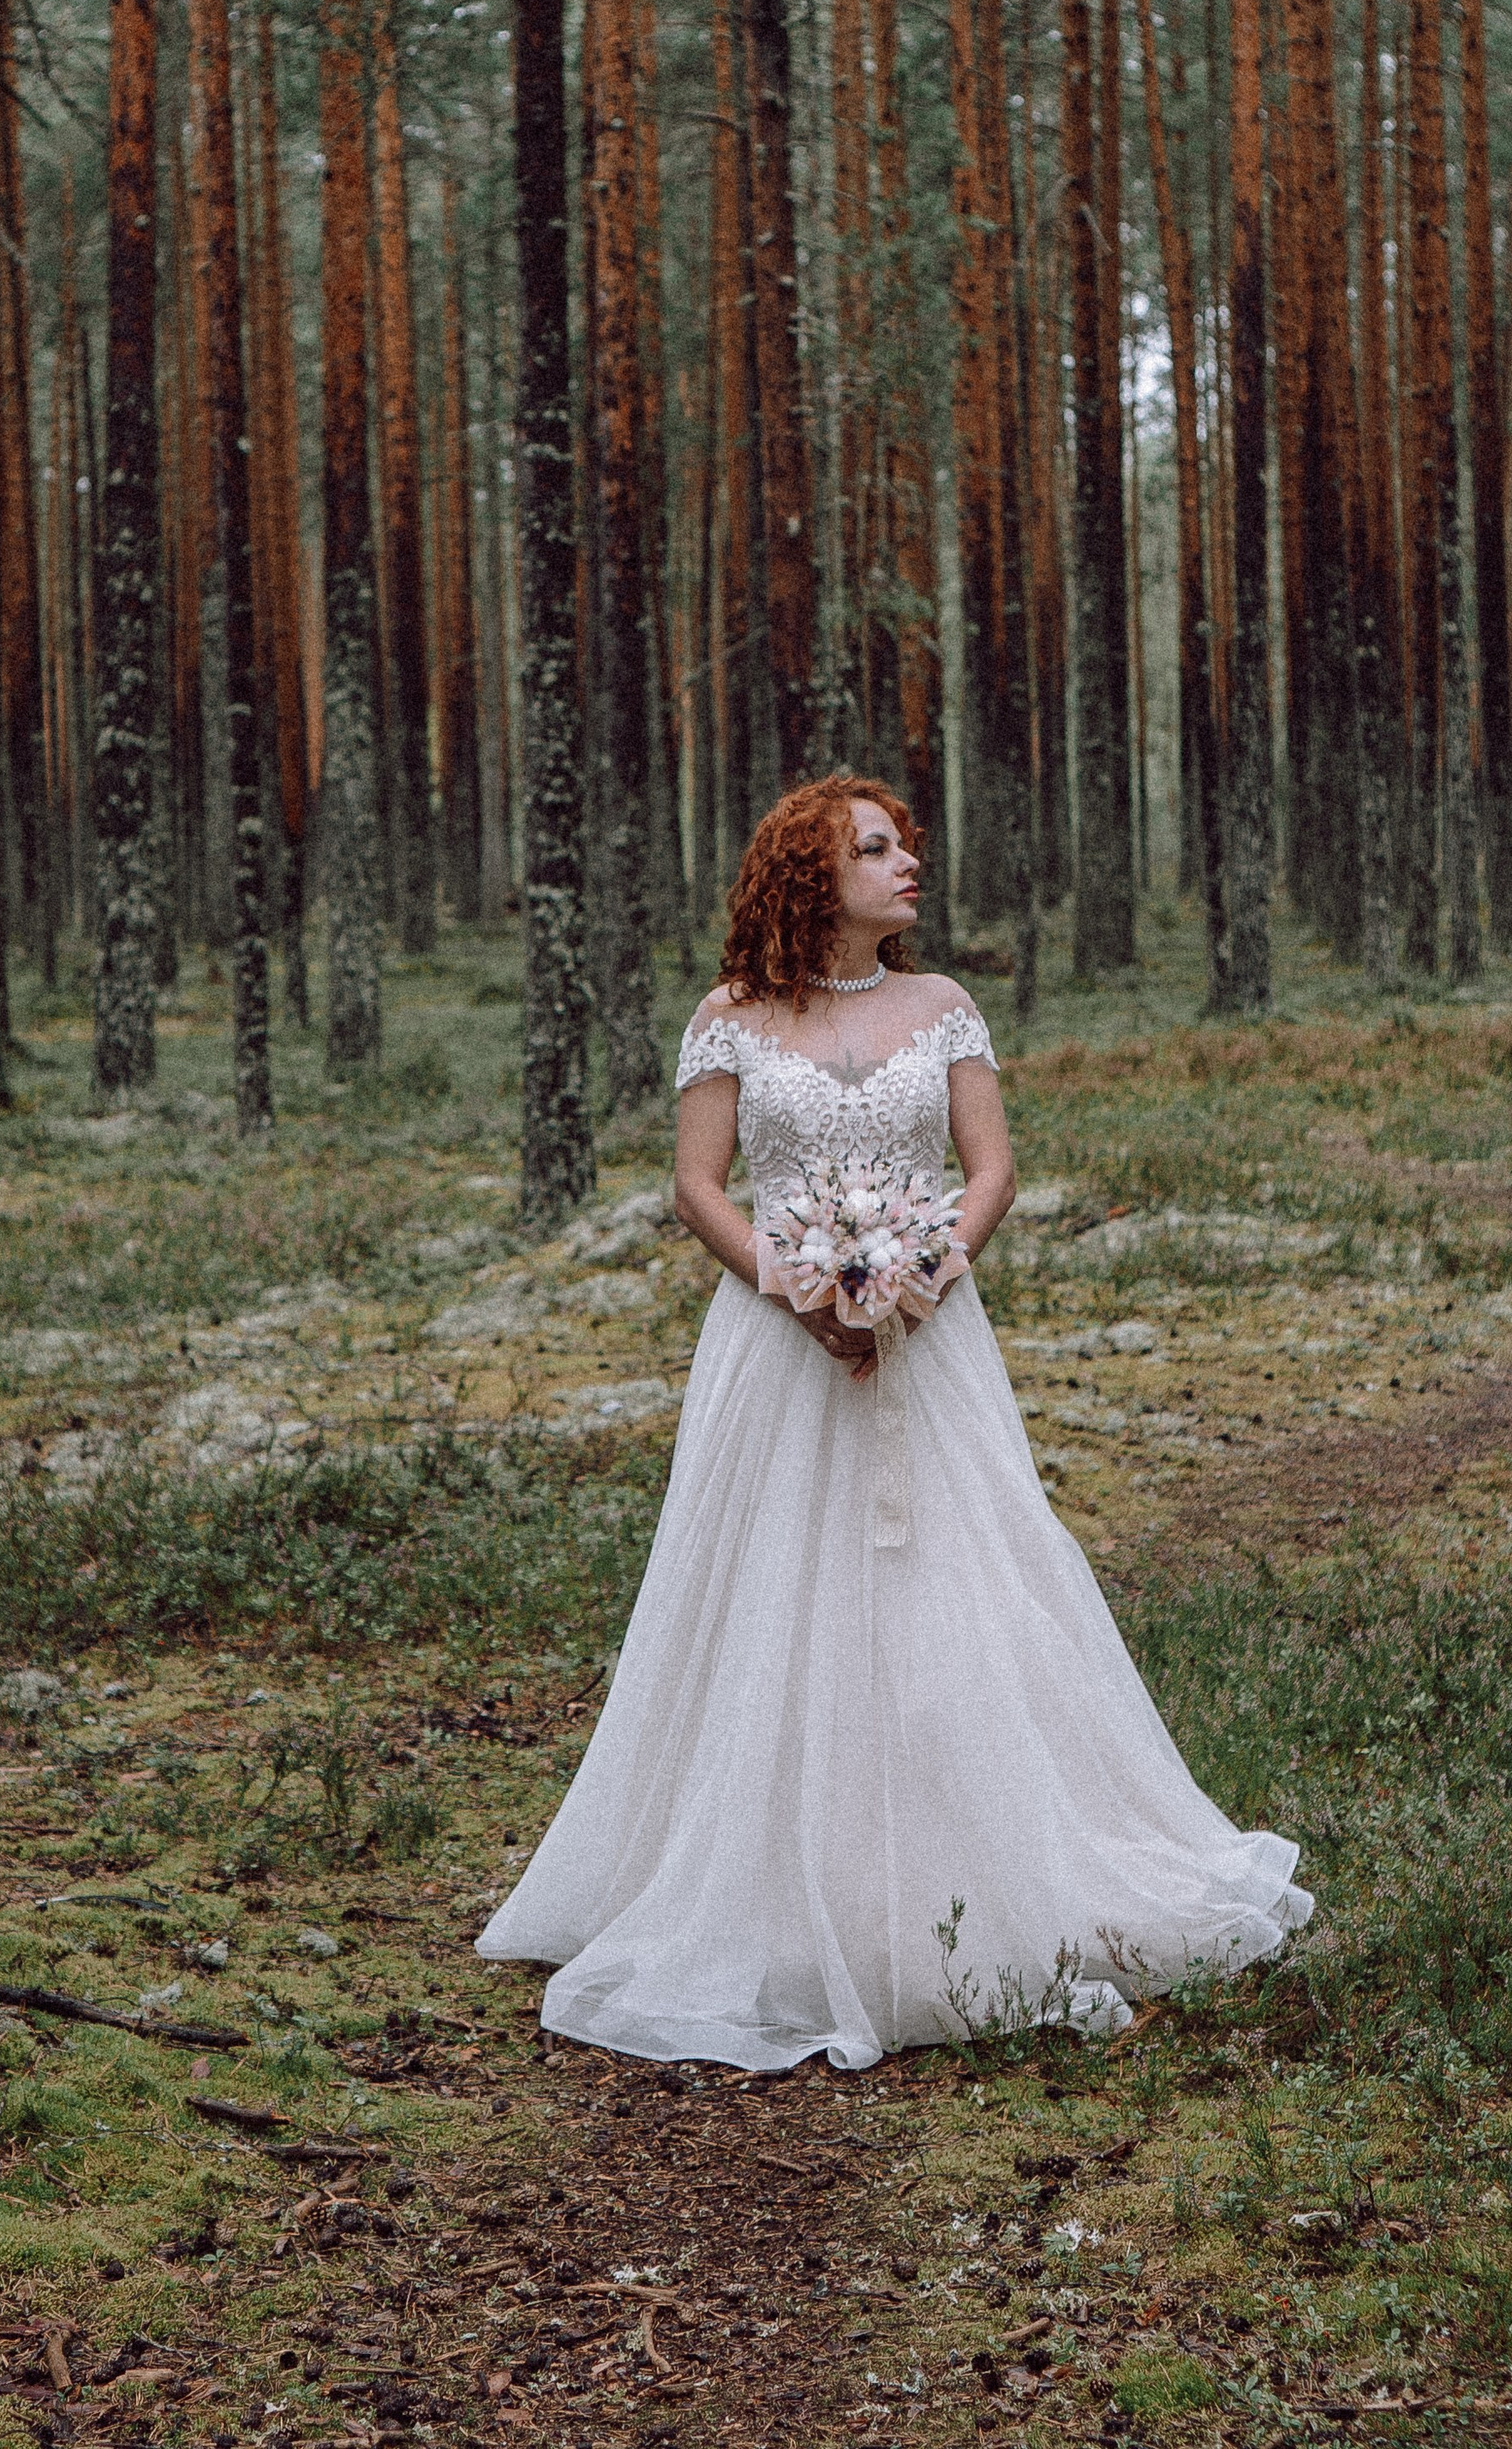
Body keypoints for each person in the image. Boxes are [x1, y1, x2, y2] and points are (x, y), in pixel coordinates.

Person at [478, 773, 1311, 2070]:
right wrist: (793, 1285)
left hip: (935, 1343)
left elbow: (992, 1170)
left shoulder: (946, 1008)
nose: (907, 864)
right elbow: (698, 1183)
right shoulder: (733, 1019)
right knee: (770, 1592)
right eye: (875, 849)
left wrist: (924, 1276)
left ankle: (974, 1866)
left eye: (905, 845)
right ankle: (761, 1881)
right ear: (812, 876)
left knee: (962, 1580)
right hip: (774, 1349)